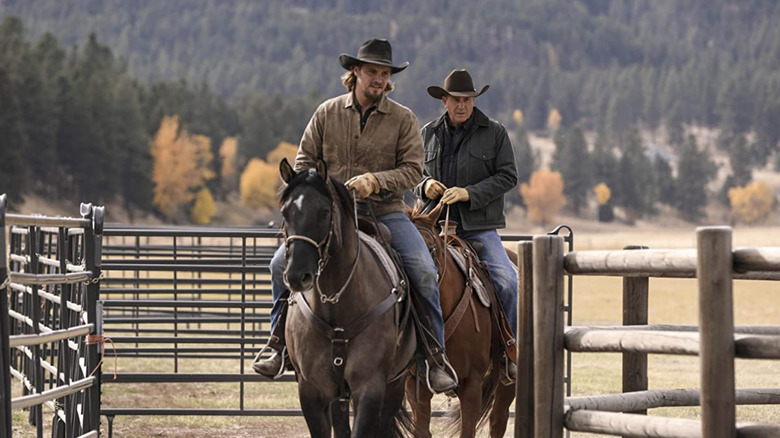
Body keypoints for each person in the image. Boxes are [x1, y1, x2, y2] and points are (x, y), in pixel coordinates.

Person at [253, 38, 457, 393]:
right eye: (372, 72)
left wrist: (375, 182)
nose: (378, 79)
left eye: (384, 73)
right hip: (330, 216)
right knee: (277, 265)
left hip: (386, 211)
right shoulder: (326, 113)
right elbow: (303, 163)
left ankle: (434, 356)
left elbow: (413, 170)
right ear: (356, 72)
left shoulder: (403, 119)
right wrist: (322, 190)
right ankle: (277, 344)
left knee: (423, 270)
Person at [415, 69, 519, 379]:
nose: (463, 105)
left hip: (477, 226)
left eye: (468, 100)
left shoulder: (495, 132)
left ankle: (508, 352)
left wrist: (469, 193)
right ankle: (404, 354)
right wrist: (425, 185)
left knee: (506, 280)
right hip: (431, 225)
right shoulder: (427, 133)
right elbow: (413, 173)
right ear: (444, 101)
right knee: (397, 276)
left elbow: (508, 176)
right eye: (457, 100)